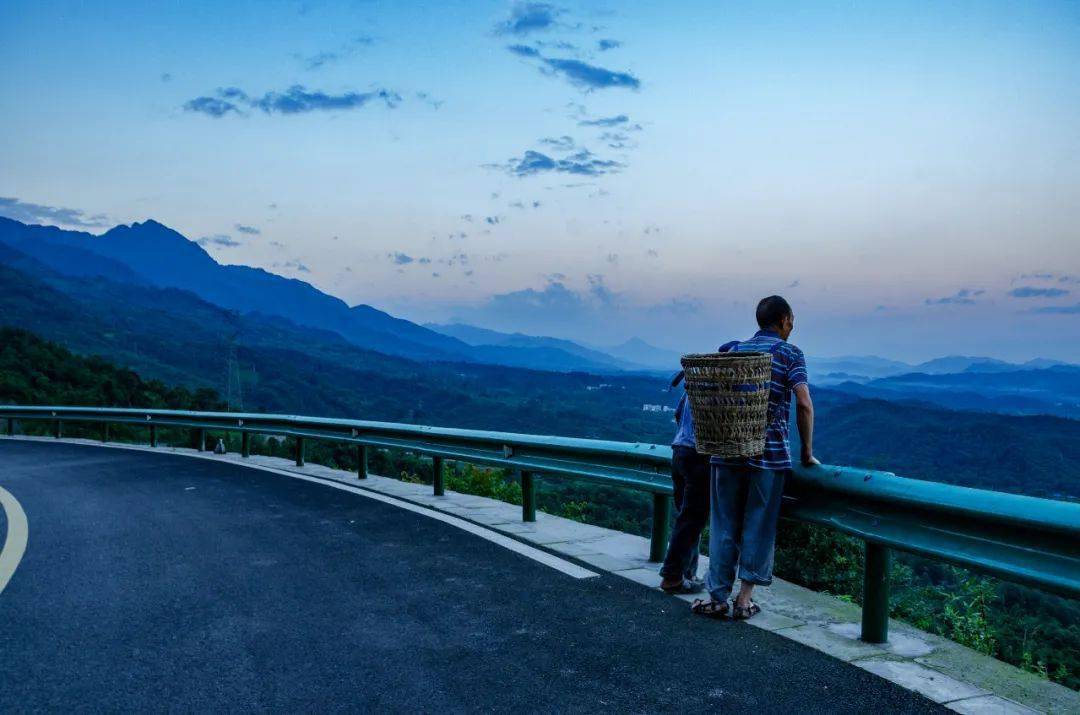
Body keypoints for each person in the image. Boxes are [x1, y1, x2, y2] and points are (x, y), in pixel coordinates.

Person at [691, 295, 818, 620]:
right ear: (785, 319)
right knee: (758, 526)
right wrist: (806, 451)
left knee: (724, 525)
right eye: (792, 320)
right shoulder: (790, 354)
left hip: (726, 452)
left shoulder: (735, 351)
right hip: (769, 457)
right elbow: (803, 403)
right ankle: (744, 601)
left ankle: (716, 597)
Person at [657, 372, 710, 593]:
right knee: (692, 519)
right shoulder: (722, 387)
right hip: (699, 455)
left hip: (679, 451)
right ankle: (673, 576)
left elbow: (678, 416)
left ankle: (687, 572)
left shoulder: (694, 385)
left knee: (685, 517)